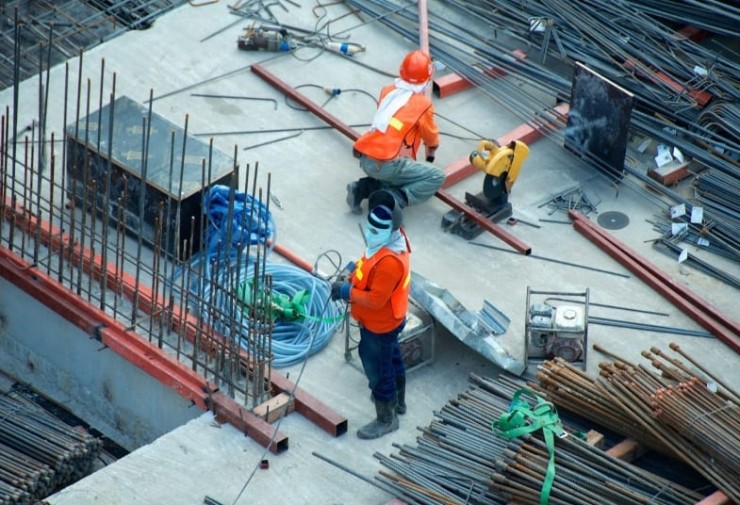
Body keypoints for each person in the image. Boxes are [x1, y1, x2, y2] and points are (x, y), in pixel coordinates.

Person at [331, 190, 411, 439]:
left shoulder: (390, 262)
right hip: (390, 321)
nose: (370, 233)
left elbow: (376, 300)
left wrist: (346, 291)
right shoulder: (390, 242)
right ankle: (398, 403)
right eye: (370, 228)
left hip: (380, 324)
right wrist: (352, 271)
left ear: (391, 230)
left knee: (378, 371)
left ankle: (387, 419)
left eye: (376, 231)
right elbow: (368, 262)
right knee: (393, 358)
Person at [346, 49, 446, 214]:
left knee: (396, 172)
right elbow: (431, 137)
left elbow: (390, 122)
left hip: (365, 156)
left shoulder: (388, 90)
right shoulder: (423, 105)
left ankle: (361, 189)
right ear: (427, 79)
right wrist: (432, 150)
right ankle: (394, 198)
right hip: (386, 164)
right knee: (436, 176)